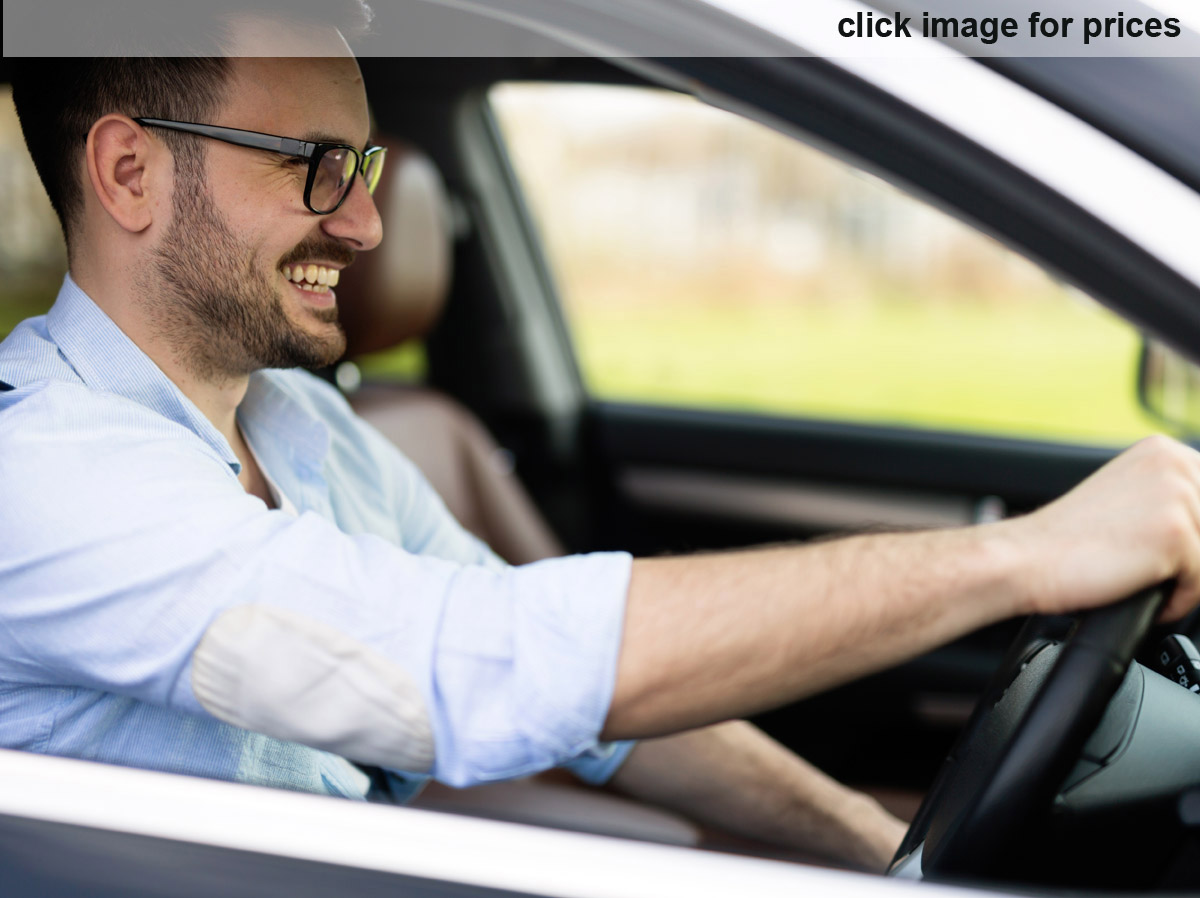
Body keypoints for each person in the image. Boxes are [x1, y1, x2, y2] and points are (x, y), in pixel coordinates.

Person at [3, 4, 1200, 873]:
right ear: (128, 171)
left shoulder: (309, 425)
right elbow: (468, 662)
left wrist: (882, 849)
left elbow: (594, 709)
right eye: (319, 167)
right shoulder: (43, 476)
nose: (369, 221)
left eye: (363, 163)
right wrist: (1017, 560)